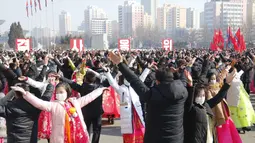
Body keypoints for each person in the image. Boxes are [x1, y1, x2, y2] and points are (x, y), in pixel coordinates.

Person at [108, 51, 188, 143]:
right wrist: (179, 72)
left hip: (155, 138)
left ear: (157, 81)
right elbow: (183, 79)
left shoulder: (152, 94)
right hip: (176, 139)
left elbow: (134, 80)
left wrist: (120, 64)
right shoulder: (183, 91)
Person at [11, 82, 107, 143]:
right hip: (59, 138)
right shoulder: (53, 105)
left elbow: (89, 97)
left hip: (76, 137)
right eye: (57, 92)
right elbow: (39, 103)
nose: (58, 94)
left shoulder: (74, 103)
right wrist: (25, 94)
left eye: (61, 92)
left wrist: (100, 90)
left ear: (67, 92)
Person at [104, 64, 151, 143]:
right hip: (127, 114)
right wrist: (107, 73)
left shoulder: (135, 86)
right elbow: (113, 84)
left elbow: (142, 78)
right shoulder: (121, 88)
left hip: (137, 113)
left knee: (142, 132)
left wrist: (147, 69)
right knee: (128, 134)